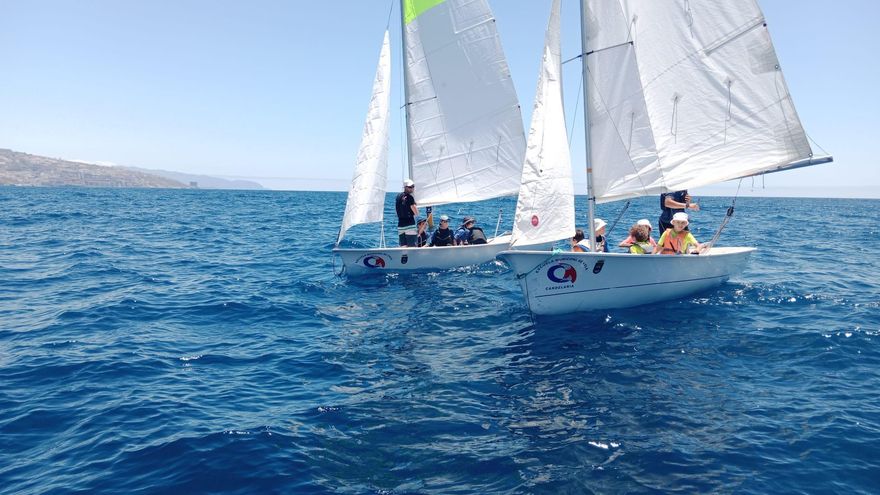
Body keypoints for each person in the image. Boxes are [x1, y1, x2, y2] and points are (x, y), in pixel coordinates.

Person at [395, 179, 418, 246]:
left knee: (403, 247)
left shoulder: (398, 196)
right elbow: (416, 212)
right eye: (410, 187)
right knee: (412, 246)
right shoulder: (410, 197)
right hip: (409, 225)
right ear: (405, 187)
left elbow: (396, 211)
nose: (412, 188)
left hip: (400, 225)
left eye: (413, 186)